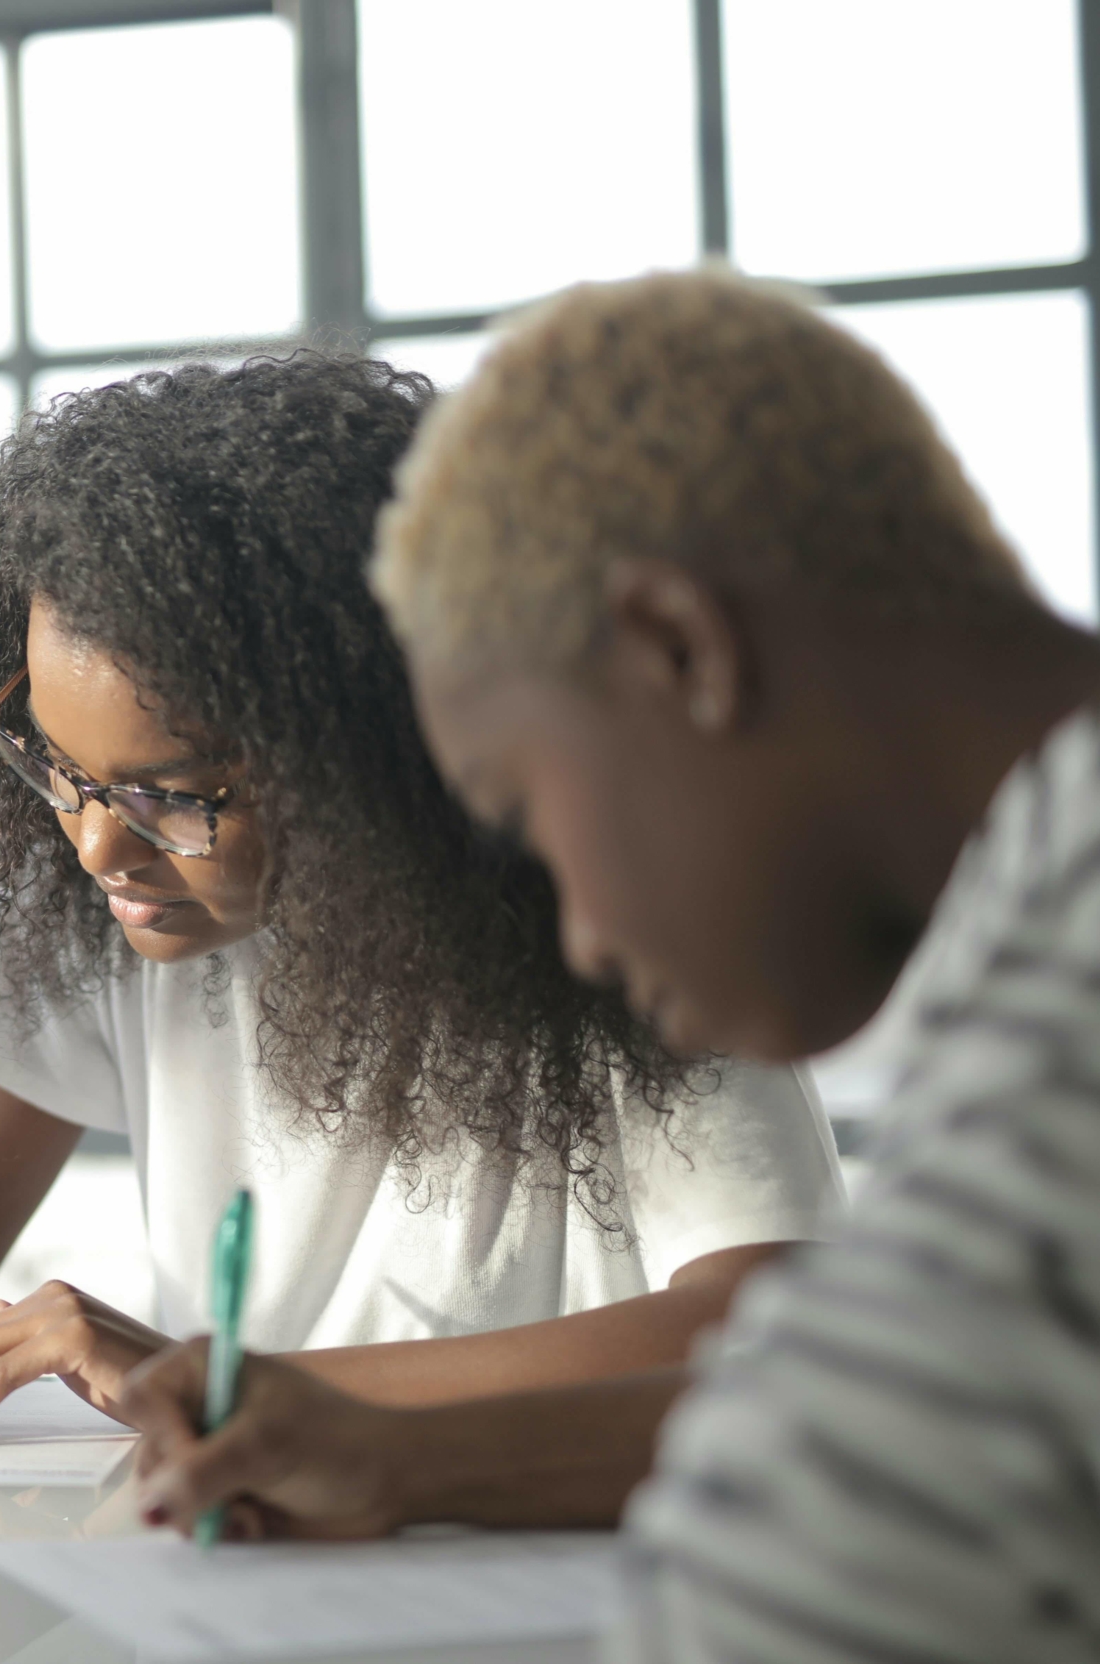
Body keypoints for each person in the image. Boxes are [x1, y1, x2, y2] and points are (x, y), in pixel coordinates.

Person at [121, 269, 1100, 1659]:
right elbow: (938, 1384)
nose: (578, 932)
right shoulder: (1033, 930)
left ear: (677, 650)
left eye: (526, 814)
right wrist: (410, 1465)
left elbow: (850, 1553)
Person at [0, 353, 839, 1453]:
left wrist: (234, 1385)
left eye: (175, 794)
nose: (98, 843)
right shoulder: (107, 923)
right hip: (244, 1554)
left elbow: (766, 1320)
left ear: (375, 750)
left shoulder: (641, 923)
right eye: (58, 766)